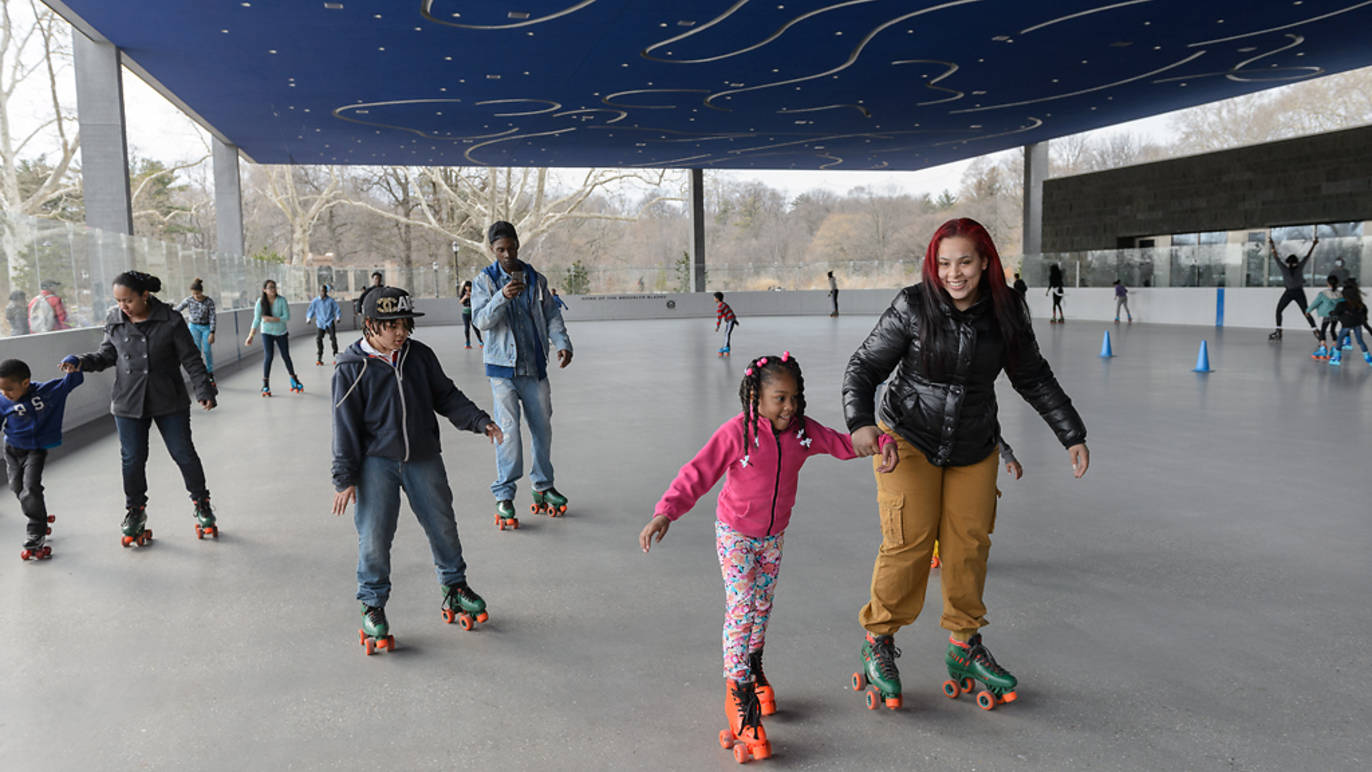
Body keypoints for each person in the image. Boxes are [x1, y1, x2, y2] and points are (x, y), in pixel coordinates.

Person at [842, 217, 1088, 712]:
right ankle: (879, 643)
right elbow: (863, 367)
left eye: (965, 262)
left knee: (968, 546)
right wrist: (860, 423)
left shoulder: (1006, 309)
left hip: (973, 443)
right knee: (908, 544)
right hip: (906, 438)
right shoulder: (913, 305)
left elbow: (1032, 375)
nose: (954, 273)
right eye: (944, 263)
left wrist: (1071, 432)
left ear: (985, 263)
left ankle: (964, 645)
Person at [640, 352, 897, 761]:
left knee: (761, 607)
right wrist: (665, 512)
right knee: (742, 608)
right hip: (736, 535)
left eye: (794, 398)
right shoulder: (736, 435)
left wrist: (880, 440)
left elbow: (844, 443)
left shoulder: (803, 433)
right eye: (779, 398)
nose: (789, 407)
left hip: (772, 537)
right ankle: (737, 690)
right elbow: (698, 472)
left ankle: (753, 665)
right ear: (756, 399)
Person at [331, 286, 504, 654]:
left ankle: (455, 588)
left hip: (423, 455)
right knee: (375, 535)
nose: (401, 332)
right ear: (370, 325)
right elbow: (344, 425)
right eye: (391, 325)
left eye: (405, 324)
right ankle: (372, 605)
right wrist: (344, 477)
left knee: (442, 524)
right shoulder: (351, 369)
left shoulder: (419, 356)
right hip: (376, 462)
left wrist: (478, 420)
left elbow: (446, 395)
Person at [62, 271, 219, 546]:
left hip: (168, 398)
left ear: (144, 295)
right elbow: (107, 355)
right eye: (118, 300)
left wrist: (204, 389)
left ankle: (202, 504)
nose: (123, 306)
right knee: (132, 459)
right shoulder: (115, 319)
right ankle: (135, 512)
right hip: (127, 400)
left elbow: (191, 358)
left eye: (128, 300)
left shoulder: (171, 320)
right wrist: (82, 361)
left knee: (183, 453)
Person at [471, 221, 574, 529]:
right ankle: (504, 493)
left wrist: (563, 343)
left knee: (542, 430)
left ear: (517, 245)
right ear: (492, 250)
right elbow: (481, 321)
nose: (507, 254)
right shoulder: (484, 281)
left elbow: (552, 314)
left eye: (511, 247)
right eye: (500, 249)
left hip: (535, 368)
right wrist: (502, 296)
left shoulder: (535, 279)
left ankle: (543, 485)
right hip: (502, 370)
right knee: (509, 432)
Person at [1, 357, 83, 559]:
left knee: (30, 488)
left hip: (35, 450)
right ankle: (39, 513)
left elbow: (72, 381)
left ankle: (36, 527)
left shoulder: (46, 392)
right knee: (16, 487)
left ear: (25, 383)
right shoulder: (2, 399)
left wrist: (72, 363)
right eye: (1, 390)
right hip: (11, 449)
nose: (5, 394)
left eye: (9, 389)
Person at [930, 435, 1022, 570]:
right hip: (933, 459)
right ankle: (938, 550)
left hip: (965, 462)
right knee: (935, 511)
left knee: (960, 513)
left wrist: (1007, 455)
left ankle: (952, 551)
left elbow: (989, 428)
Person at [244, 279, 302, 396]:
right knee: (268, 357)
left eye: (274, 287)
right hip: (267, 333)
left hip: (281, 332)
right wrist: (251, 336)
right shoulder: (260, 302)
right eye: (270, 287)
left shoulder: (281, 300)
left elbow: (287, 317)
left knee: (285, 356)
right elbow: (257, 319)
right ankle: (265, 384)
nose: (273, 289)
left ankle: (293, 379)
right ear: (264, 290)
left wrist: (272, 319)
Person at [1267, 234, 1319, 341]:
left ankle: (1278, 331)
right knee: (1306, 312)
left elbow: (1276, 256)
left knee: (1279, 310)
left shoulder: (1284, 268)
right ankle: (1315, 331)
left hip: (1290, 292)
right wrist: (1313, 244)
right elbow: (1307, 256)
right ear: (1296, 262)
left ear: (1288, 262)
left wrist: (1272, 245)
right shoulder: (1299, 267)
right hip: (1298, 292)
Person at [173, 278, 217, 385]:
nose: (195, 296)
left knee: (207, 350)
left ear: (201, 292)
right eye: (193, 294)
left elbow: (212, 317)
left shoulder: (209, 301)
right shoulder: (189, 300)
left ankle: (210, 372)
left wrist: (212, 332)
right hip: (193, 326)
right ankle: (199, 373)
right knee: (196, 350)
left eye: (197, 293)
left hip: (206, 327)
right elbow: (178, 309)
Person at [1328, 279, 1370, 367]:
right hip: (1357, 325)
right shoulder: (1360, 304)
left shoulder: (1341, 304)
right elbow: (1364, 314)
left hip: (1346, 325)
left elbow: (1335, 314)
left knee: (1339, 340)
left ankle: (1337, 357)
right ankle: (1368, 357)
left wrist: (1331, 313)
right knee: (1360, 341)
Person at [1306, 275, 1342, 360]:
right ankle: (1334, 348)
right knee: (1332, 330)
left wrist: (1308, 311)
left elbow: (1316, 303)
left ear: (1328, 283)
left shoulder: (1323, 293)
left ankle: (1323, 348)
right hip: (1336, 315)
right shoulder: (1340, 294)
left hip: (1327, 314)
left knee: (1323, 330)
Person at [307, 284, 342, 366]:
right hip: (320, 323)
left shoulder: (331, 301)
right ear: (319, 291)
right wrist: (308, 318)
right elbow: (311, 310)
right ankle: (319, 358)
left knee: (333, 339)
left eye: (324, 291)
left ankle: (336, 356)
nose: (323, 292)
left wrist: (338, 317)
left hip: (329, 322)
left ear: (326, 291)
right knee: (319, 339)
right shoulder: (315, 301)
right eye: (321, 291)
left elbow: (337, 309)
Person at [459, 280, 483, 349]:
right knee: (467, 328)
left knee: (476, 328)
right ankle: (467, 342)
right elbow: (460, 302)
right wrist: (465, 297)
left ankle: (480, 342)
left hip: (473, 312)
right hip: (465, 313)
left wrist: (472, 296)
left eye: (469, 286)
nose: (468, 288)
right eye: (466, 286)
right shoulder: (463, 293)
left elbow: (478, 301)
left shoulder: (474, 293)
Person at [714, 291, 739, 357]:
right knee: (727, 333)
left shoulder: (720, 306)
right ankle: (727, 347)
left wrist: (717, 327)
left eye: (714, 298)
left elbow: (719, 317)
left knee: (727, 333)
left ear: (717, 298)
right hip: (730, 320)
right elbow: (730, 311)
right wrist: (735, 321)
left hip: (730, 320)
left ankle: (726, 347)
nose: (714, 299)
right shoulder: (724, 304)